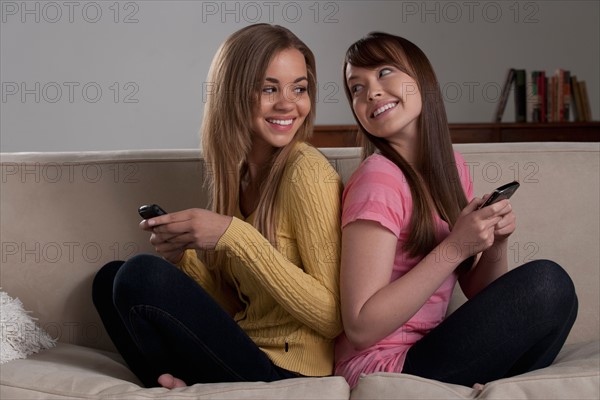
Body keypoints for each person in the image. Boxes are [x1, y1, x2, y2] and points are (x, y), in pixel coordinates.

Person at [92, 23, 343, 388]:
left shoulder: (307, 170)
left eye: (299, 88)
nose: (288, 103)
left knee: (139, 275)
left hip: (289, 373)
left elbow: (333, 316)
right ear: (234, 93)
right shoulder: (235, 176)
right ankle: (170, 384)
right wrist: (183, 260)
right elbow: (235, 310)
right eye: (268, 88)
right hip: (244, 349)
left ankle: (166, 383)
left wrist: (234, 235)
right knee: (110, 279)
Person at [334, 32, 578, 389]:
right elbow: (360, 326)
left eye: (384, 72)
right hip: (383, 366)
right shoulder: (379, 176)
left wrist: (494, 242)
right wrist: (455, 247)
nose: (370, 91)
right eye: (356, 87)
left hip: (431, 350)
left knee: (561, 300)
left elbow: (482, 293)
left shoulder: (452, 168)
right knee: (548, 283)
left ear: (422, 78)